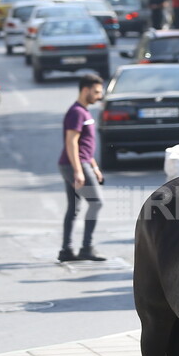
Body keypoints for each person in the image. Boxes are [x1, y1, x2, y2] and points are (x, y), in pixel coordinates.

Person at [58, 73, 107, 262]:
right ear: (85, 90)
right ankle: (87, 247)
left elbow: (86, 145)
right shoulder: (77, 112)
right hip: (75, 164)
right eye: (95, 92)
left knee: (74, 208)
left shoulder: (83, 111)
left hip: (80, 162)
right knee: (96, 202)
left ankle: (66, 250)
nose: (99, 96)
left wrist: (94, 166)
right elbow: (72, 142)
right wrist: (78, 170)